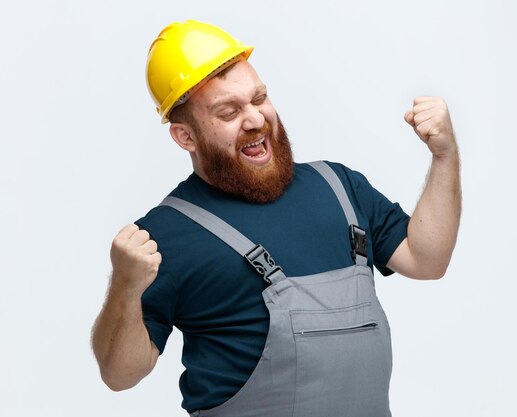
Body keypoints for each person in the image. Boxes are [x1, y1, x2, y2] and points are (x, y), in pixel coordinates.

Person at [91, 20, 461, 417]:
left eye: (259, 98)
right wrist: (126, 287)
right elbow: (120, 374)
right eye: (229, 111)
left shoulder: (339, 187)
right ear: (186, 137)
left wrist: (445, 156)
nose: (255, 119)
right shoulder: (168, 234)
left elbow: (427, 259)